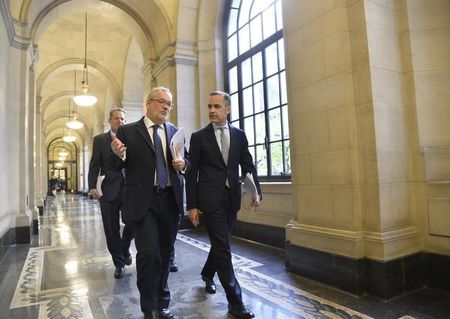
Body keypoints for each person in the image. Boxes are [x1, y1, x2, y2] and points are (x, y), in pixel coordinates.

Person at [110, 87, 188, 319]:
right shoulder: (128, 131)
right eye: (162, 102)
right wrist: (118, 155)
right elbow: (115, 168)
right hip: (142, 203)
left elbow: (188, 162)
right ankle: (149, 308)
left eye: (169, 104)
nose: (166, 107)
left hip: (169, 200)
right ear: (149, 103)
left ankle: (162, 304)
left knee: (165, 253)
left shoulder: (175, 132)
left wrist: (183, 164)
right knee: (149, 254)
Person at [186, 90, 262, 319]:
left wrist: (255, 191)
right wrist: (192, 205)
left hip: (232, 199)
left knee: (220, 243)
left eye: (217, 106)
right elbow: (192, 174)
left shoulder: (239, 135)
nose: (211, 110)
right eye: (209, 106)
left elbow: (247, 165)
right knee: (223, 248)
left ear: (227, 109)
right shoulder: (199, 137)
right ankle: (235, 302)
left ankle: (208, 273)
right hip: (210, 200)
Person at [88, 107, 134, 280]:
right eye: (116, 118)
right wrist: (92, 186)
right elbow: (94, 164)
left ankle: (125, 247)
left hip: (130, 189)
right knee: (111, 229)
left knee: (133, 222)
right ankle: (119, 264)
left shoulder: (131, 137)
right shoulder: (100, 140)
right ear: (110, 121)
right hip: (108, 191)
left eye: (122, 119)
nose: (120, 121)